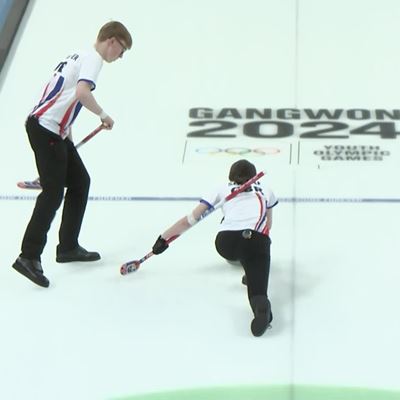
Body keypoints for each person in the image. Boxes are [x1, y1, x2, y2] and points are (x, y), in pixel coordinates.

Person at [12, 21, 132, 288]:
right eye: (121, 50)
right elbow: (81, 92)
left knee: (80, 182)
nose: (120, 56)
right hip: (47, 130)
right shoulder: (94, 60)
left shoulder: (77, 55)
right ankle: (28, 256)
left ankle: (67, 246)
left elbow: (64, 98)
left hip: (53, 129)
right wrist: (103, 115)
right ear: (112, 41)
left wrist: (66, 134)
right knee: (53, 193)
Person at [151, 159, 278, 337]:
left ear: (231, 177)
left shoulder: (221, 188)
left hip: (227, 242)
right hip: (256, 240)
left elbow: (190, 219)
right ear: (254, 177)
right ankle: (261, 306)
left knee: (241, 250)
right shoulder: (266, 190)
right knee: (258, 287)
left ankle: (248, 268)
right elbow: (268, 224)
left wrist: (163, 239)